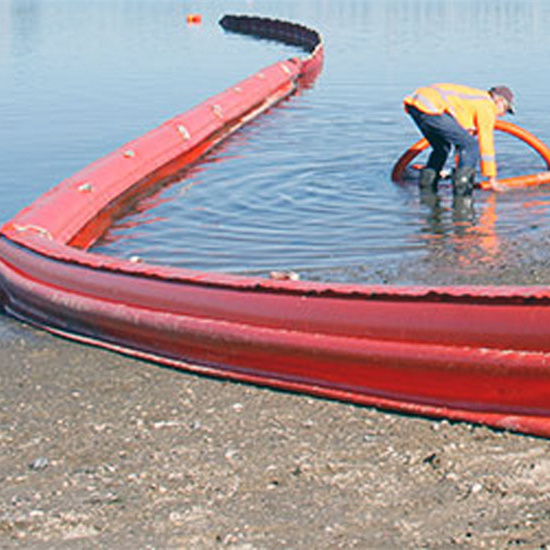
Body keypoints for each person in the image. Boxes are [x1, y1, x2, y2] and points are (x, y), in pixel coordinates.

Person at [403, 83, 515, 196]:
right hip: (431, 106)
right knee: (470, 145)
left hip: (416, 105)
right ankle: (462, 193)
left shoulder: (476, 98)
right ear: (500, 102)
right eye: (505, 109)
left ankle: (427, 188)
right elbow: (486, 143)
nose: (503, 115)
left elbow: (458, 121)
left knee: (441, 147)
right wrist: (492, 179)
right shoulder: (487, 106)